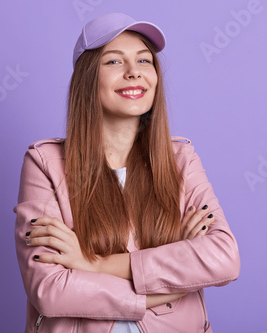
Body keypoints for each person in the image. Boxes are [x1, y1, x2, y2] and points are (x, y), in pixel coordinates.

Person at [14, 12, 240, 333]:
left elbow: (223, 259)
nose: (135, 73)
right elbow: (50, 292)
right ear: (88, 78)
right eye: (114, 62)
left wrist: (94, 264)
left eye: (144, 61)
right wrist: (175, 277)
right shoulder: (45, 163)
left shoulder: (180, 159)